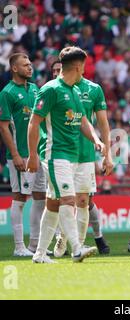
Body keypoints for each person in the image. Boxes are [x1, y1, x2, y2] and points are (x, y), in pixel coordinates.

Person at [27, 46, 105, 263]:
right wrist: (33, 155)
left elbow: (82, 120)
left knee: (53, 203)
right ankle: (77, 248)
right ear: (78, 66)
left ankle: (40, 254)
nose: (84, 71)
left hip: (73, 155)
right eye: (84, 67)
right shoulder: (51, 89)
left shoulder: (73, 91)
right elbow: (34, 123)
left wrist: (96, 140)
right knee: (68, 199)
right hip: (55, 154)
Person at [53, 70, 113, 257]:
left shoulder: (93, 89)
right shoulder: (54, 89)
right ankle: (62, 235)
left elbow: (103, 123)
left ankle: (77, 247)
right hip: (60, 151)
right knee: (64, 200)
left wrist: (108, 155)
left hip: (86, 153)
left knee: (82, 201)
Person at [0, 53, 46, 256]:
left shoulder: (35, 88)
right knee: (20, 197)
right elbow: (3, 127)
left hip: (38, 153)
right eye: (25, 65)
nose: (30, 68)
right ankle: (19, 247)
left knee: (41, 197)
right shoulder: (7, 93)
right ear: (14, 69)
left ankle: (35, 245)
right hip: (21, 155)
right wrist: (15, 155)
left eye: (30, 64)